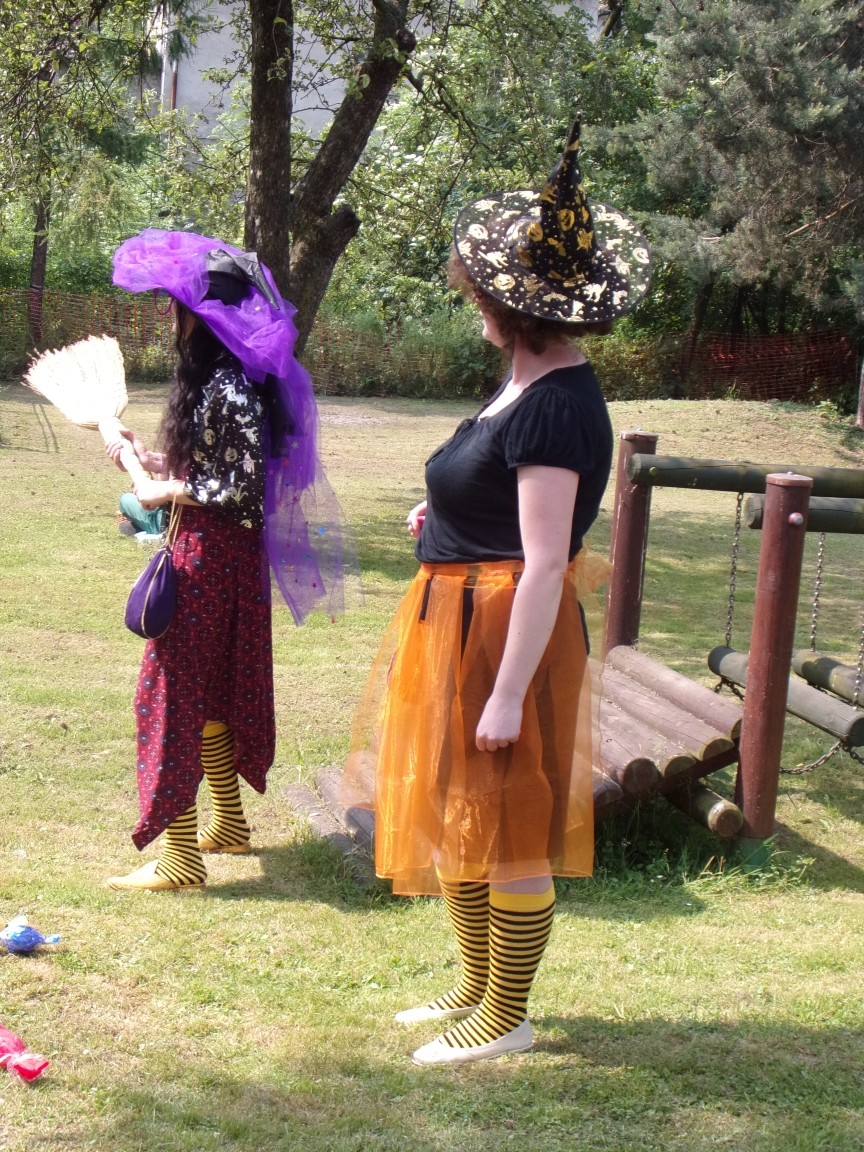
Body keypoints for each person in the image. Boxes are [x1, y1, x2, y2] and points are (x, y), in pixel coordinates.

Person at [342, 117, 651, 1065]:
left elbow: (546, 561)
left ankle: (506, 1015)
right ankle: (477, 986)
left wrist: (510, 693)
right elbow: (499, 502)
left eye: (479, 289)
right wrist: (439, 516)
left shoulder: (556, 402)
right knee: (461, 806)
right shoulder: (523, 383)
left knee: (509, 818)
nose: (470, 298)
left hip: (503, 632)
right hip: (457, 615)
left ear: (514, 305)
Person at [105, 230, 341, 891]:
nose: (169, 318)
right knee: (208, 693)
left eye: (176, 307)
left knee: (172, 696)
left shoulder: (228, 387)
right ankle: (230, 824)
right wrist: (153, 461)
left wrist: (162, 490)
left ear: (201, 316)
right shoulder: (227, 382)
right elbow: (223, 464)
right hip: (224, 558)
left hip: (210, 560)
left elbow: (238, 488)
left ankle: (181, 860)